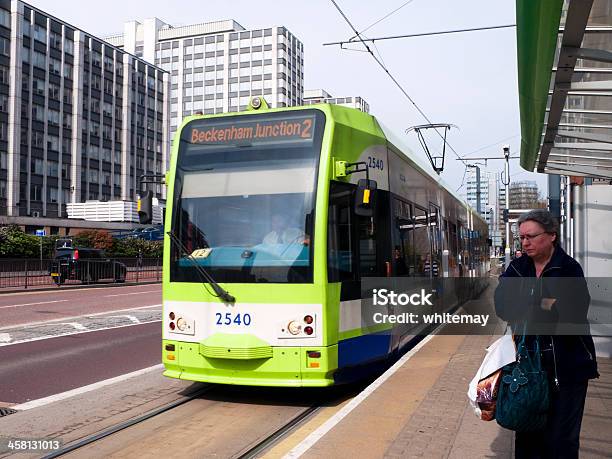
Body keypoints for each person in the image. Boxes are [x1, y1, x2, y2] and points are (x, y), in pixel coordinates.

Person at [494, 209, 598, 458]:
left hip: (567, 369)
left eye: (531, 236)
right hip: (527, 367)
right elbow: (503, 306)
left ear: (551, 235)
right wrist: (543, 302)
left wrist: (530, 303)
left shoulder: (568, 269)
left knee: (561, 442)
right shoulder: (518, 268)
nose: (525, 243)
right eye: (521, 238)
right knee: (528, 438)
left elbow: (572, 311)